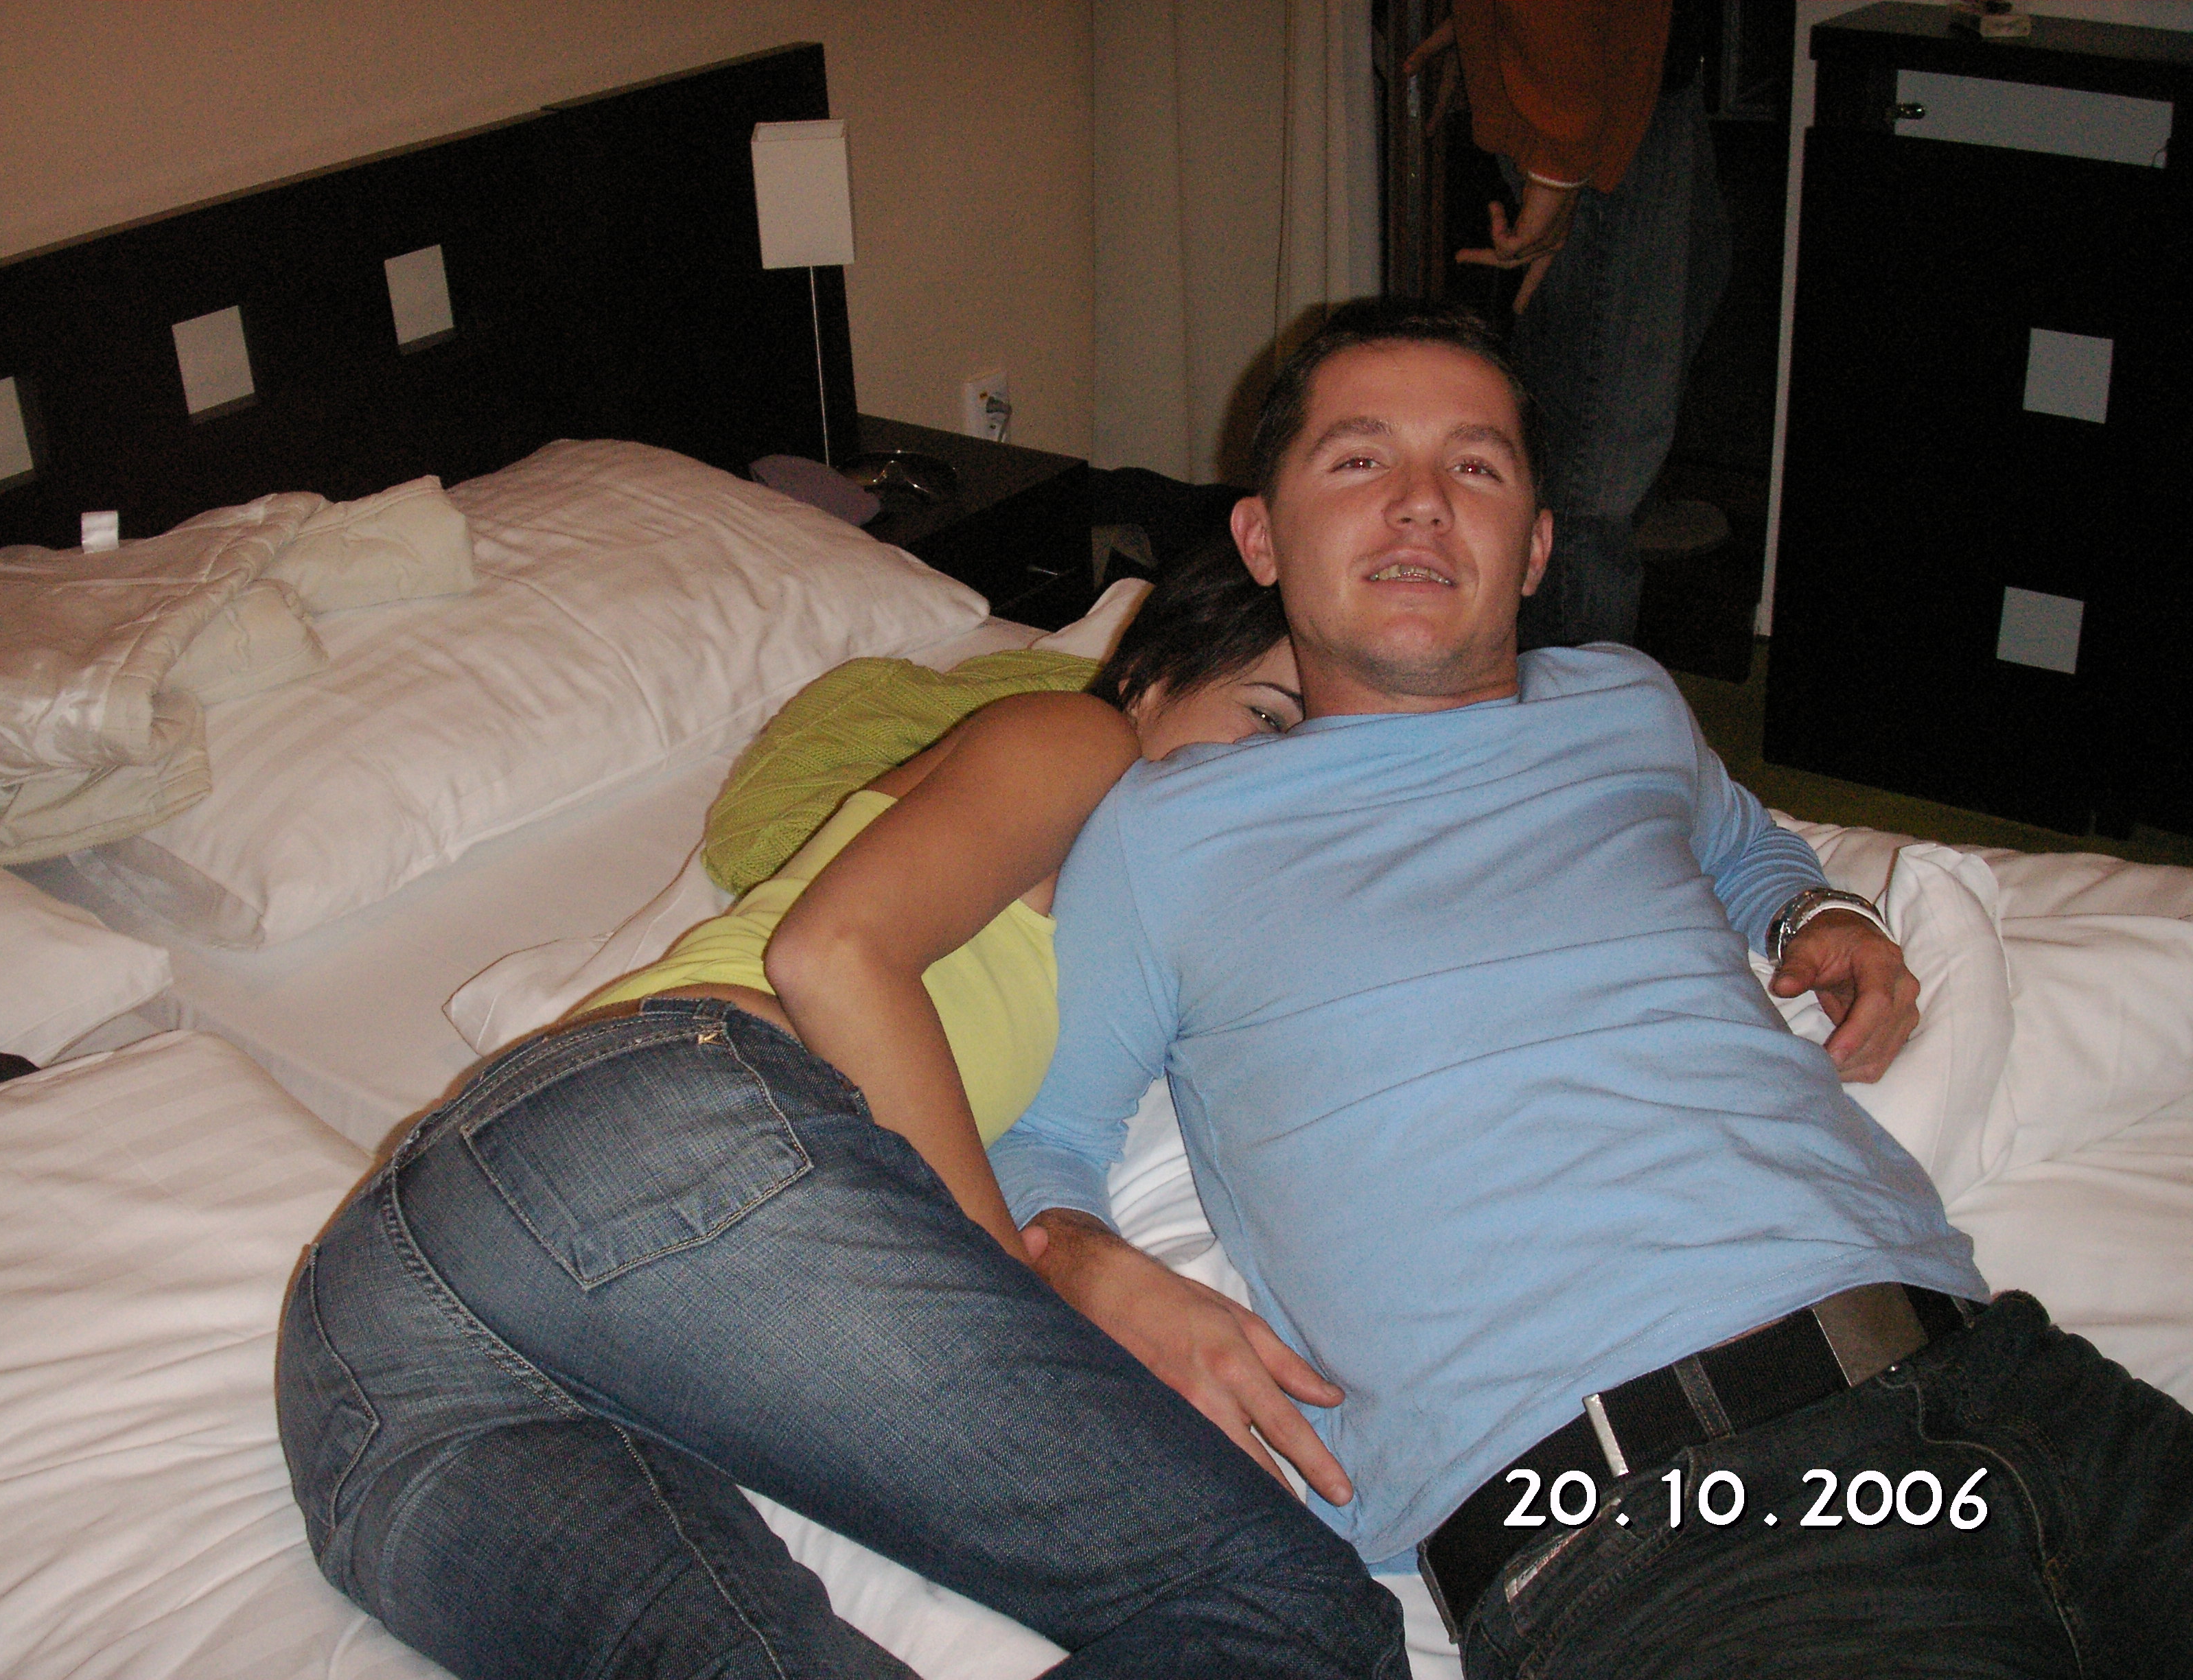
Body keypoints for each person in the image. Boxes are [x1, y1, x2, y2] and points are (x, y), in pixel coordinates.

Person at [992, 299, 2193, 1677]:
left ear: (1535, 547)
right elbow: (1041, 1132)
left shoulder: (1625, 701)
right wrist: (1086, 1264)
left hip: (2006, 1382)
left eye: (1475, 466)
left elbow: (1739, 838)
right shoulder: (1169, 831)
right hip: (1662, 1513)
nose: (1422, 502)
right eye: (1359, 460)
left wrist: (1818, 909)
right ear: (1261, 538)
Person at [273, 545, 1418, 1680]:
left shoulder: (1139, 940)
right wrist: (1037, 1328)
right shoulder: (1079, 741)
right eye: (1267, 719)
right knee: (1292, 1608)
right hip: (643, 1142)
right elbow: (836, 956)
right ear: (1151, 680)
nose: (1281, 778)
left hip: (380, 1342)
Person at [1406, 0, 1728, 648]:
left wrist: (1487, 26)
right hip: (1590, 96)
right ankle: (1569, 698)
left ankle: (1592, 573)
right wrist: (1558, 157)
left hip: (1641, 65)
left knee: (1612, 414)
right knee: (1589, 479)